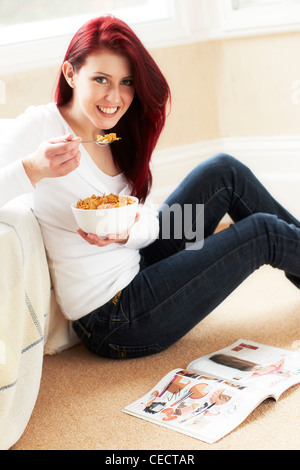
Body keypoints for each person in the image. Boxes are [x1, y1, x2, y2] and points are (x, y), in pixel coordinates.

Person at [0, 16, 299, 360]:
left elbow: (150, 222)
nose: (115, 97)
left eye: (126, 81)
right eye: (101, 79)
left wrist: (125, 231)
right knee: (261, 234)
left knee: (223, 171)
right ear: (71, 74)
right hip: (113, 316)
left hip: (138, 258)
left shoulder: (121, 131)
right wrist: (33, 168)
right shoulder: (39, 128)